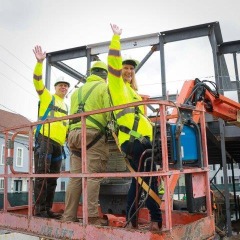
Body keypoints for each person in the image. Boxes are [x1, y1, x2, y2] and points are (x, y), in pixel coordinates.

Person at [108, 24, 162, 231]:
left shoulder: (133, 93)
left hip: (143, 142)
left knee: (138, 182)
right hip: (134, 142)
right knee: (150, 182)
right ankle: (156, 221)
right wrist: (116, 38)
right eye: (126, 67)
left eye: (131, 68)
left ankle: (131, 219)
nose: (128, 71)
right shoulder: (116, 86)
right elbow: (113, 64)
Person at [61, 61, 110, 225]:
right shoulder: (104, 87)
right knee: (93, 177)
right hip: (92, 135)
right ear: (105, 75)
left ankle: (68, 217)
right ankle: (92, 218)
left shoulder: (76, 92)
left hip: (73, 136)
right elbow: (109, 113)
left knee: (75, 178)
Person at [33, 45, 69, 218]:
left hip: (58, 145)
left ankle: (47, 208)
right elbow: (37, 82)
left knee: (53, 179)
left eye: (66, 86)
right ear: (55, 87)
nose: (63, 87)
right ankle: (39, 210)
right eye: (61, 85)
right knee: (42, 175)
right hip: (45, 140)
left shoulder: (66, 106)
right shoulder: (48, 97)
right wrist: (40, 62)